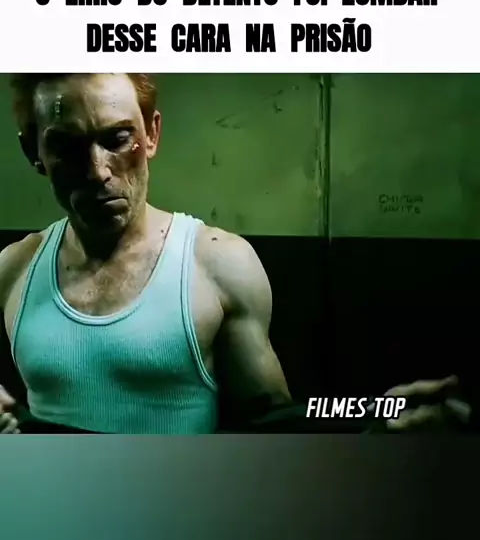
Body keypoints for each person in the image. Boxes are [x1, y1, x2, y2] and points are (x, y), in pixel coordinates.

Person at [0, 73, 473, 434]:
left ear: (152, 135)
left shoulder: (215, 264)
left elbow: (276, 421)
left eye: (117, 138)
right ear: (34, 152)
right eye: (67, 147)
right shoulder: (13, 270)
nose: (98, 171)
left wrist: (379, 411)